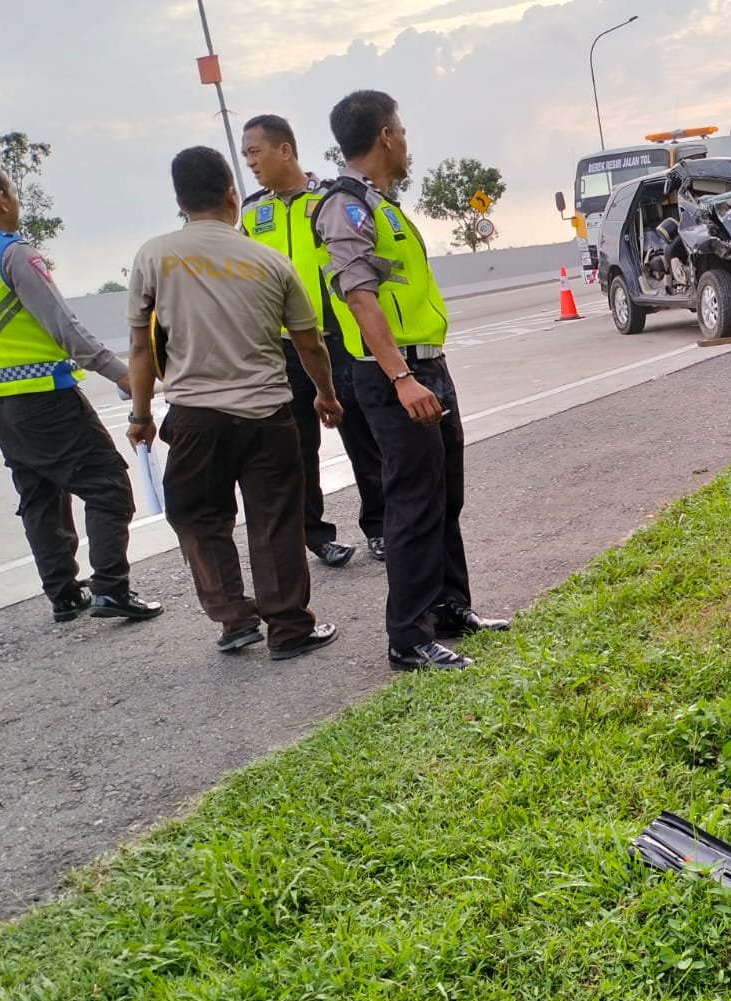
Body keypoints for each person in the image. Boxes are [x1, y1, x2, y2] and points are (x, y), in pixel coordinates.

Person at [314, 89, 509, 671]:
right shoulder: (347, 206)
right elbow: (358, 296)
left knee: (444, 493)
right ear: (385, 136)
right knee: (413, 504)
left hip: (426, 365)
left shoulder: (380, 203)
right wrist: (401, 377)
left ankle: (450, 607)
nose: (405, 141)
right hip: (393, 373)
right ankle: (408, 637)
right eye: (400, 130)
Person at [125, 146, 339, 661]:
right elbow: (309, 343)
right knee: (275, 522)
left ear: (180, 201)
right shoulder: (271, 260)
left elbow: (138, 347)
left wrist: (141, 415)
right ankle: (289, 628)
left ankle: (233, 619)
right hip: (269, 415)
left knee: (200, 519)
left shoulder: (153, 257)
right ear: (231, 195)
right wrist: (326, 397)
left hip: (195, 419)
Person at [0, 158, 163, 624]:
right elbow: (65, 326)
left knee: (39, 496)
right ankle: (111, 589)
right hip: (47, 397)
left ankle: (63, 594)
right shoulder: (12, 254)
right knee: (107, 486)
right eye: (13, 193)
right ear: (2, 198)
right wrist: (120, 373)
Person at [240, 114, 388, 567]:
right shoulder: (251, 212)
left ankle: (380, 527)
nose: (250, 162)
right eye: (246, 154)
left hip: (338, 338)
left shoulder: (328, 200)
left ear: (285, 149)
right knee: (297, 447)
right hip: (283, 348)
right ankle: (316, 534)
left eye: (256, 151)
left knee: (364, 436)